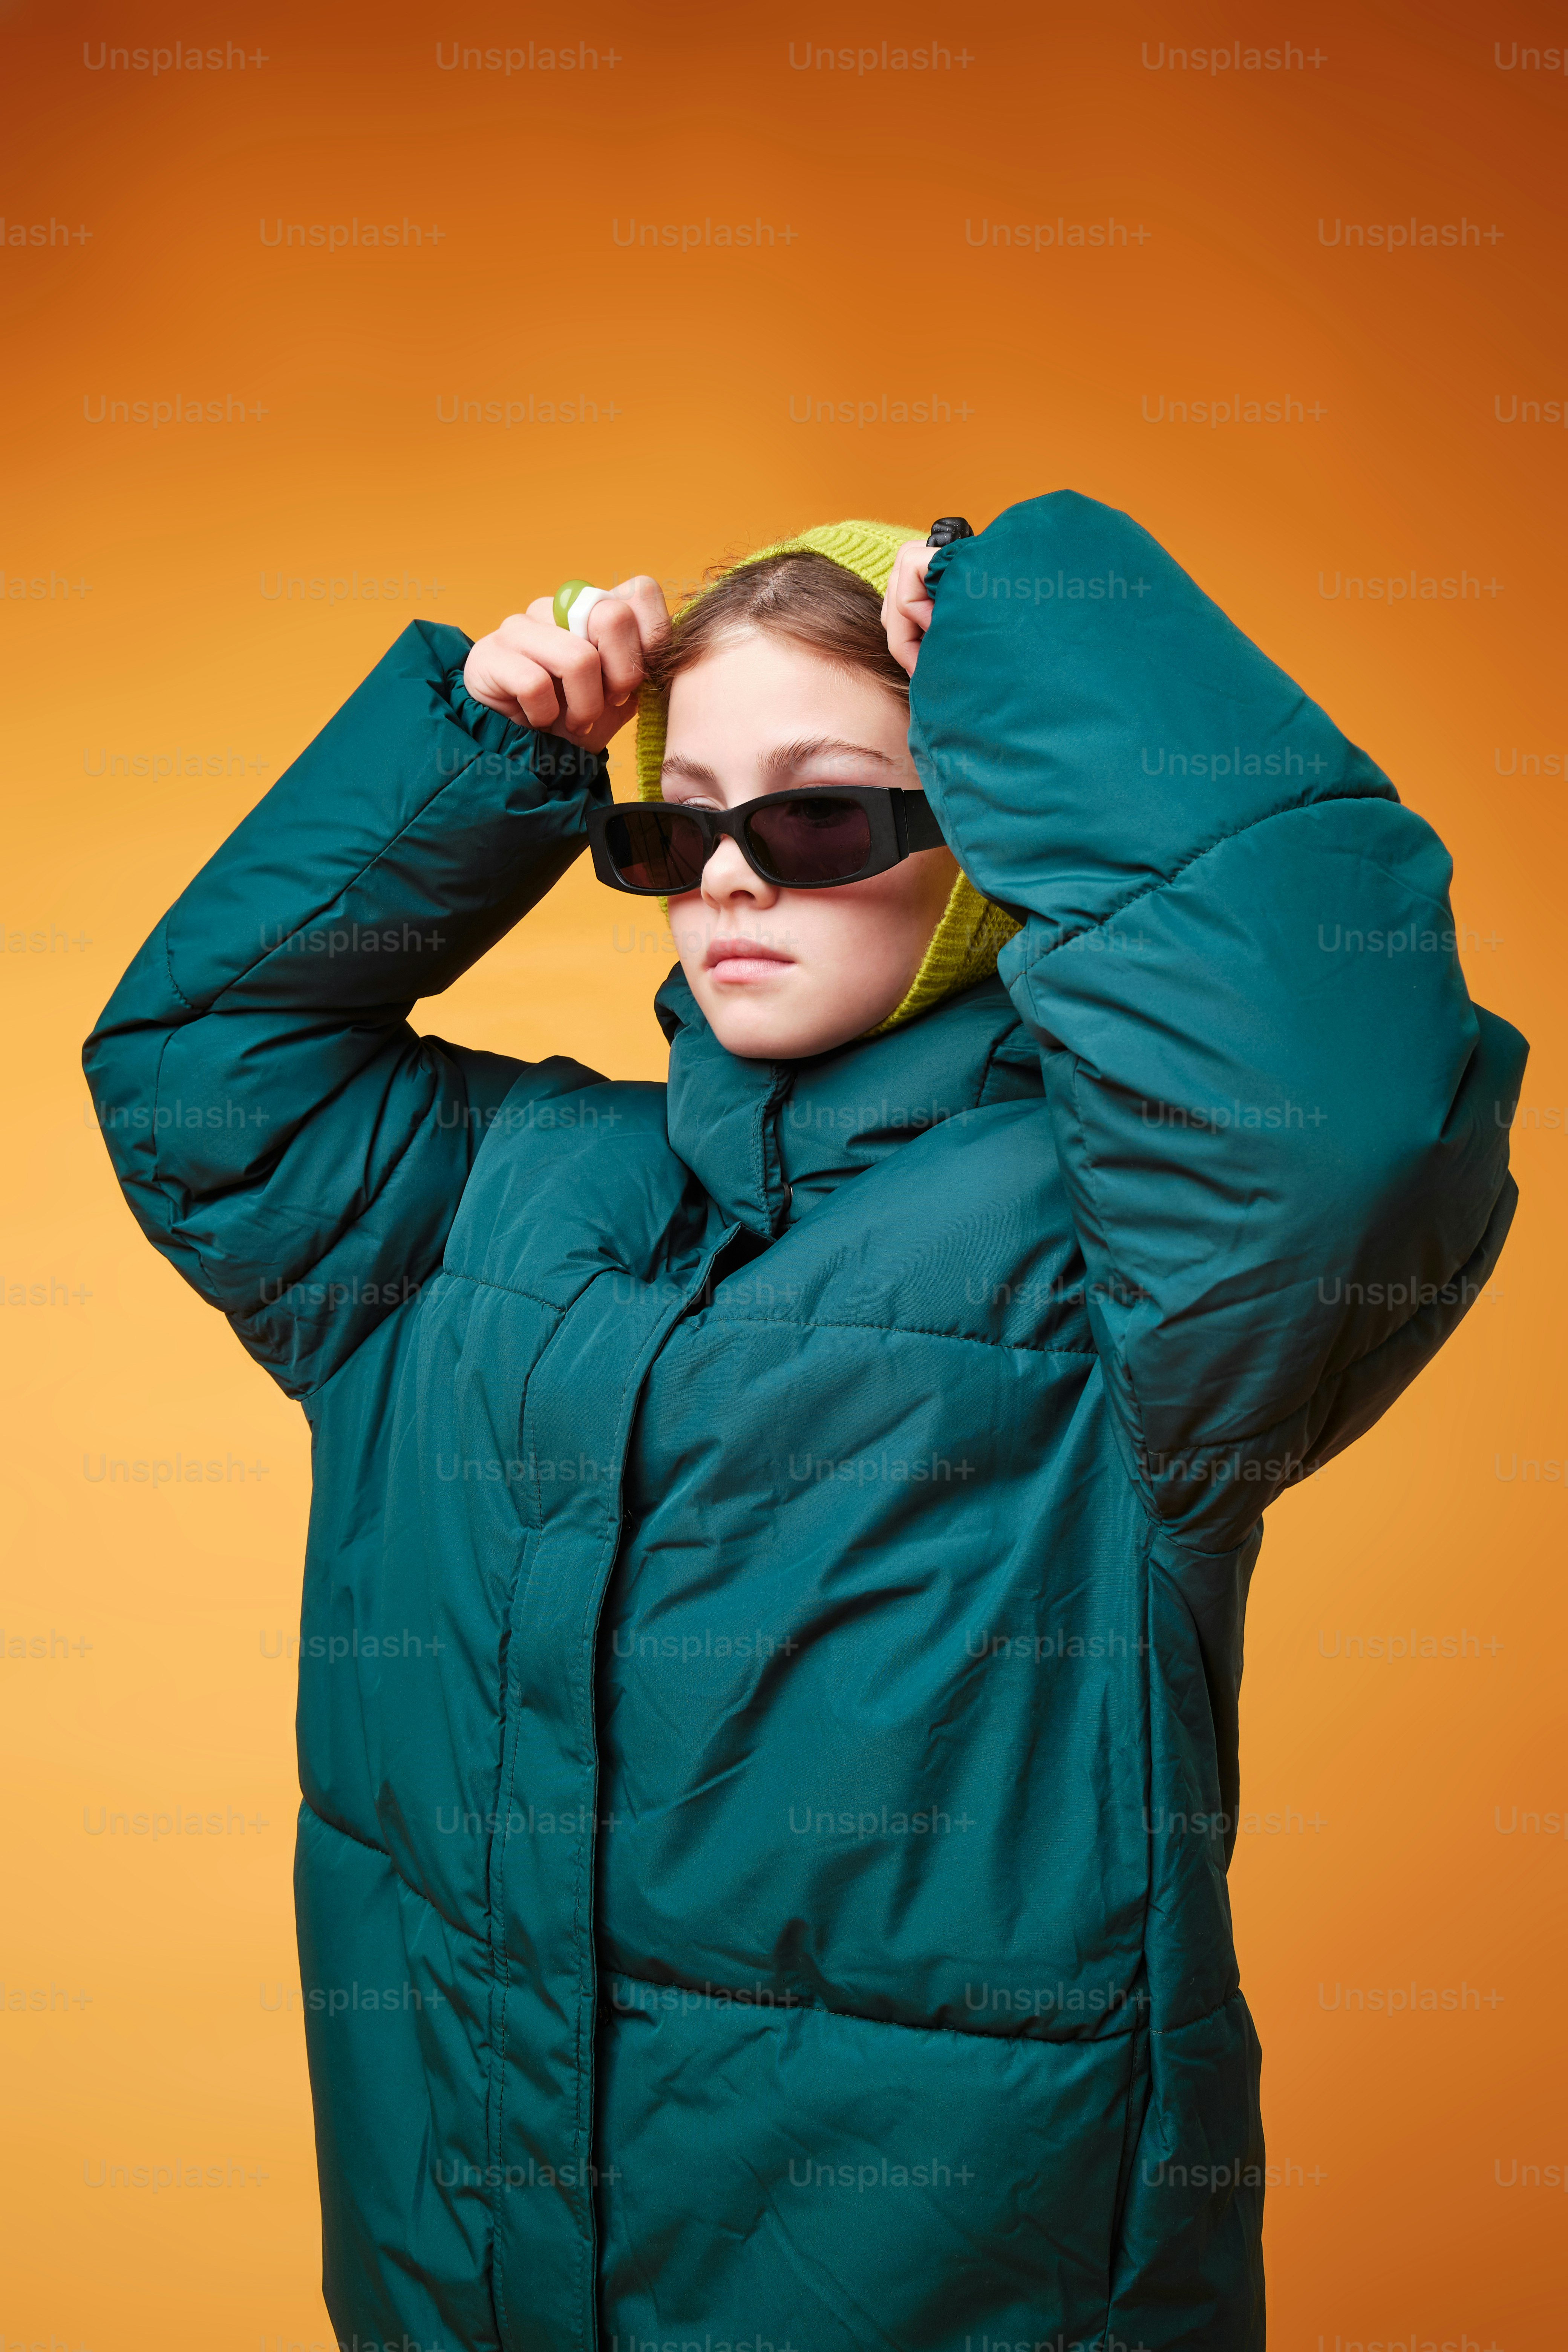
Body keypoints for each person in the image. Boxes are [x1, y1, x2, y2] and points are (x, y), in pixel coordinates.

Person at [84, 496, 1524, 2352]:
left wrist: (1046, 635)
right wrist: (478, 760)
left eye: (820, 812)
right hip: (458, 2286)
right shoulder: (491, 1197)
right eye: (678, 821)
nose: (732, 882)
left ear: (986, 841)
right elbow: (204, 1077)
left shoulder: (1118, 1266)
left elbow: (1341, 1126)